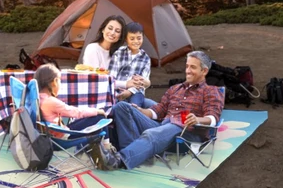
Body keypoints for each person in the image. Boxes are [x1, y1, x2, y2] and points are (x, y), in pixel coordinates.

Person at [90, 50, 224, 170]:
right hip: (163, 127)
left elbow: (213, 117)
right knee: (122, 107)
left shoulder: (210, 91)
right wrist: (139, 111)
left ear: (204, 71)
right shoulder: (175, 88)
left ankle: (117, 160)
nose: (188, 70)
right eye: (187, 66)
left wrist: (197, 119)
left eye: (193, 67)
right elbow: (158, 110)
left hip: (185, 134)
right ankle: (135, 153)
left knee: (153, 134)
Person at [35, 63, 108, 140]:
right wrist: (97, 111)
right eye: (60, 81)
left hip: (52, 136)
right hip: (63, 137)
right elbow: (76, 112)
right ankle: (107, 146)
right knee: (100, 117)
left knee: (89, 117)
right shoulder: (50, 102)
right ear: (55, 82)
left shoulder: (38, 98)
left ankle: (99, 147)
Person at [108, 22, 151, 107]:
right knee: (116, 106)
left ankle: (134, 116)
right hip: (117, 90)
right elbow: (111, 79)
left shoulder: (145, 58)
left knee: (135, 106)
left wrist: (130, 92)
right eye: (132, 39)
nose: (136, 41)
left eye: (139, 38)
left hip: (136, 92)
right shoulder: (118, 54)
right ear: (126, 40)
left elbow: (143, 81)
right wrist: (123, 87)